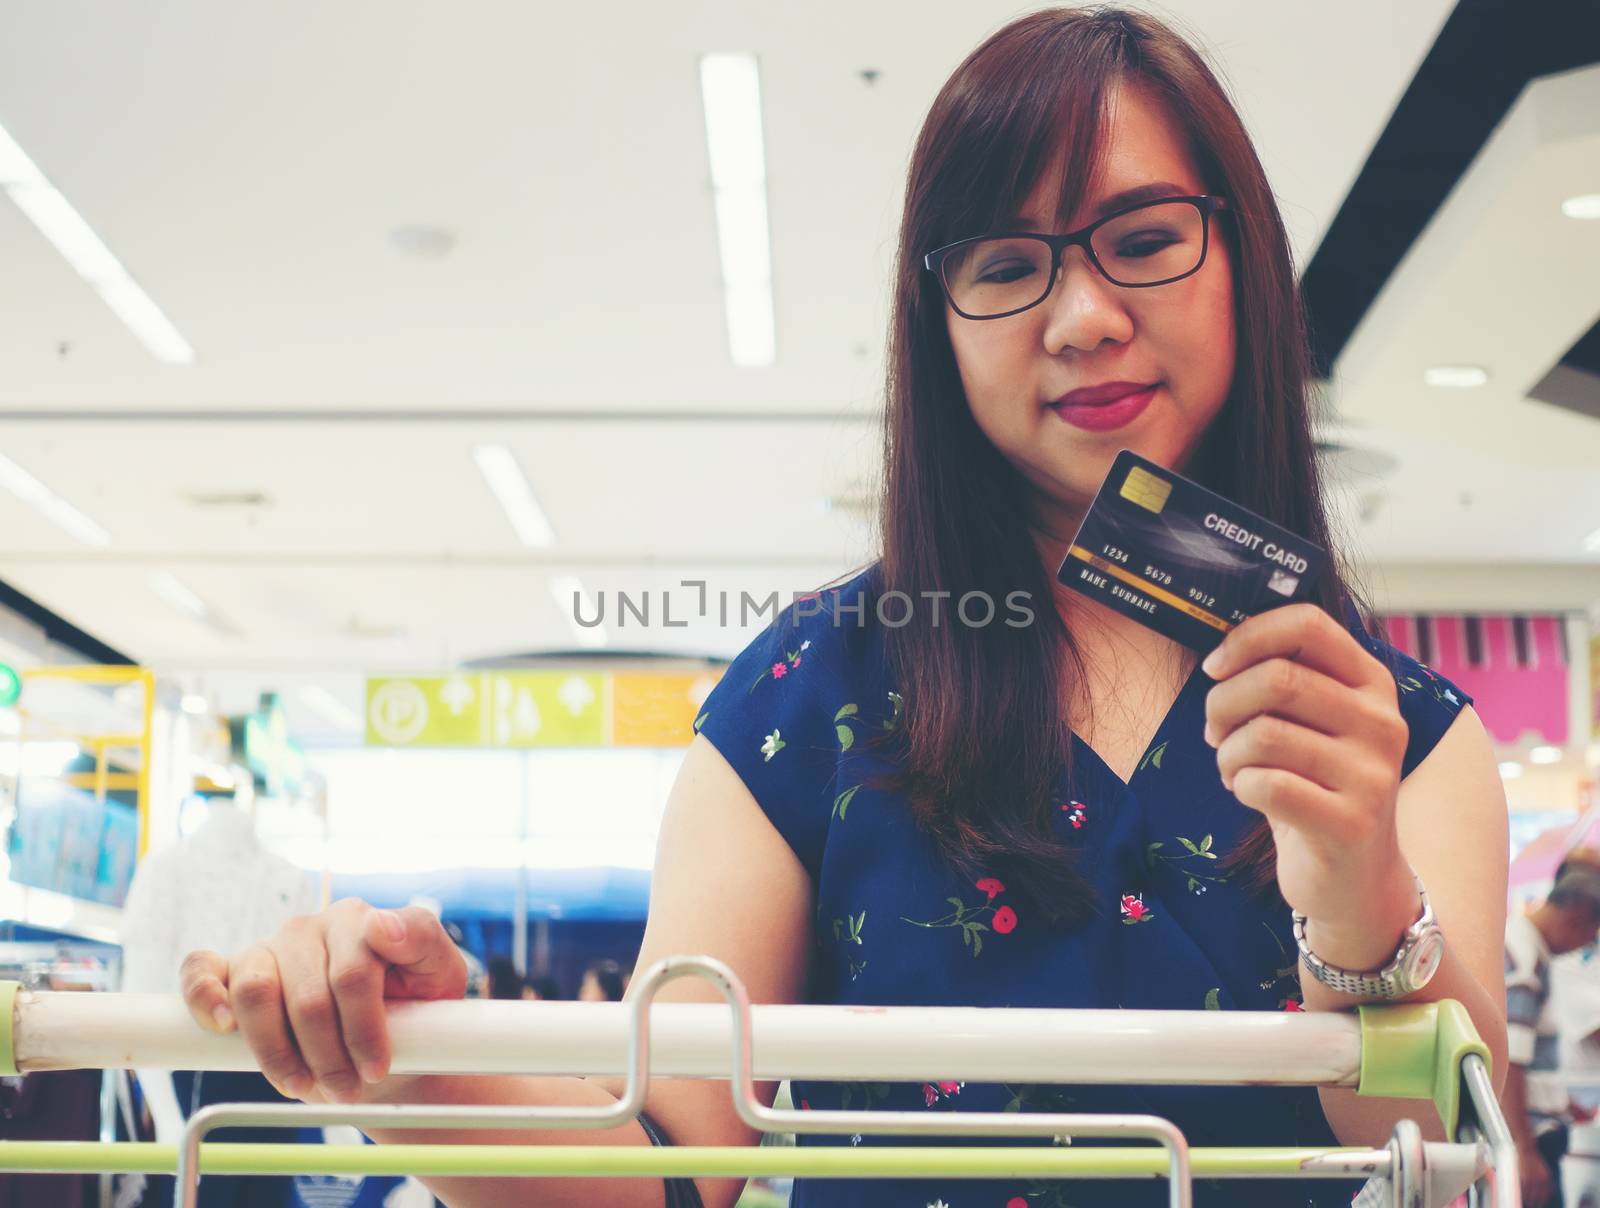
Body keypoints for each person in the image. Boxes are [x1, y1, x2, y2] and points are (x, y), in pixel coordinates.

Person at [177, 9, 1510, 1208]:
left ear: (1243, 256)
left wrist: (1357, 896)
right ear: (937, 323)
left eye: (1146, 241)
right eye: (1005, 266)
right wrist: (417, 1061)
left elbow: (1445, 1158)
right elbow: (666, 1165)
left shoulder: (1405, 735)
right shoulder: (808, 690)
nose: (1085, 315)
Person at [1503, 853, 1600, 1207]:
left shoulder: (1525, 947)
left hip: (1534, 1131)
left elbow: (1527, 1058)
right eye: (1593, 934)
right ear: (1577, 917)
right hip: (1532, 1139)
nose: (1586, 944)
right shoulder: (1524, 959)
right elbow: (1509, 1062)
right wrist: (1523, 1150)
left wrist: (1562, 1101)